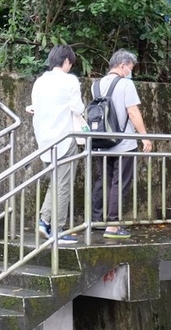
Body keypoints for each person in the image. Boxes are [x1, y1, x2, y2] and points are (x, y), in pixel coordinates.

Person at [90, 49, 153, 239]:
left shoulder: (96, 85)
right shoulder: (126, 84)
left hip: (101, 142)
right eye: (130, 68)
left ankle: (97, 220)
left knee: (104, 181)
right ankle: (113, 226)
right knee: (120, 183)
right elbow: (133, 112)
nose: (130, 71)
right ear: (123, 65)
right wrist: (144, 137)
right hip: (123, 143)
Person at [30, 44, 85, 244]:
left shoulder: (40, 82)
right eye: (71, 63)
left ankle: (44, 221)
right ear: (67, 61)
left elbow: (34, 107)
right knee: (63, 185)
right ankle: (57, 230)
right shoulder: (69, 81)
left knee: (55, 182)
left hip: (44, 140)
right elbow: (78, 108)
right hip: (64, 138)